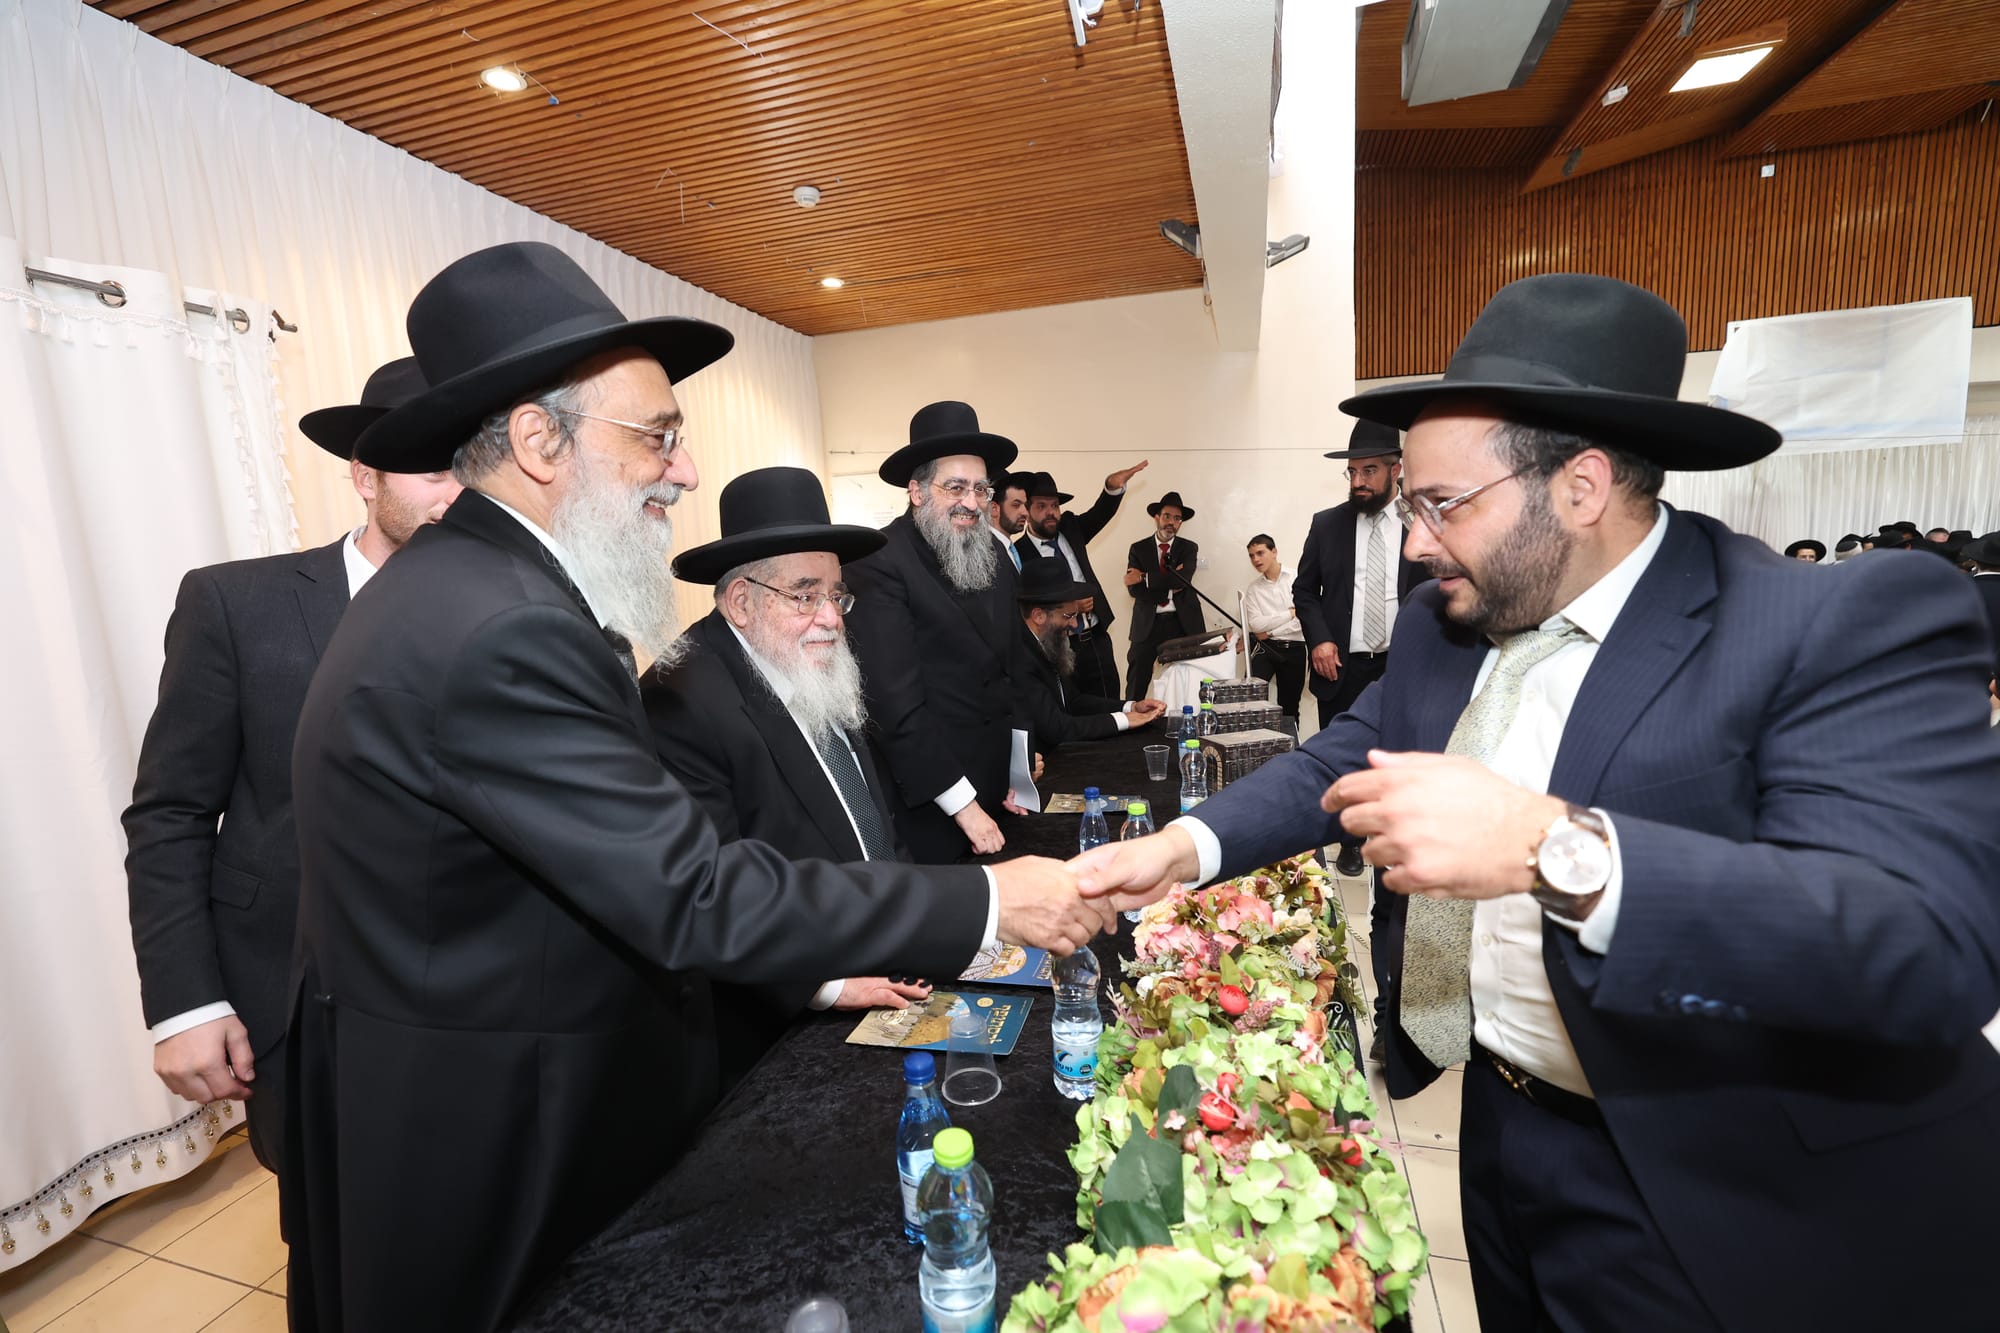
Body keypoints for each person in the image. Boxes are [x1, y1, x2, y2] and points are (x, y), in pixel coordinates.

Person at [1071, 273, 2000, 1333]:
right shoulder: (1443, 624)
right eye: (1411, 505)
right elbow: (1346, 753)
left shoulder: (1831, 624)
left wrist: (1553, 848)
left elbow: (1926, 940)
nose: (1415, 543)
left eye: (1443, 504)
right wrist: (1184, 846)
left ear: (1581, 486)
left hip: (1725, 1188)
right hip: (1506, 1129)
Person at [285, 245, 1106, 1333]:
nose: (682, 470)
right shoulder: (500, 624)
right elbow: (690, 888)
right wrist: (990, 900)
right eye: (657, 435)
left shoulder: (478, 587)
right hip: (485, 1127)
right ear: (538, 439)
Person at [122, 357, 455, 1189]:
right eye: (431, 467)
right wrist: (186, 1001)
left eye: (473, 467)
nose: (457, 493)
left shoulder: (532, 612)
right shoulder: (239, 605)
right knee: (328, 1226)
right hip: (300, 1005)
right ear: (365, 475)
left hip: (478, 1007)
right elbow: (171, 812)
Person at [643, 466, 934, 1090]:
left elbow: (868, 820)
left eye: (837, 595)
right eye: (806, 596)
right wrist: (826, 986)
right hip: (778, 1026)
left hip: (883, 954)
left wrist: (917, 914)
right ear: (741, 602)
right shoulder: (681, 698)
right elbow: (707, 889)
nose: (831, 618)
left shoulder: (810, 658)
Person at [844, 401, 1027, 863]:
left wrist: (1016, 770)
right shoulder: (879, 563)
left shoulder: (995, 555)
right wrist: (964, 807)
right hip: (932, 802)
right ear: (917, 491)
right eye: (955, 487)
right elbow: (893, 707)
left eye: (981, 489)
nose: (971, 503)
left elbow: (1012, 672)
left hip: (995, 792)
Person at [1018, 462, 1148, 699]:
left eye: (1054, 505)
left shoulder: (1072, 528)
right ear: (1027, 511)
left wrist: (1111, 488)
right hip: (1057, 646)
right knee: (1070, 708)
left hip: (1095, 639)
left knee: (1110, 702)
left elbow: (1101, 513)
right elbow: (1027, 604)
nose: (1050, 512)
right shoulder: (1020, 553)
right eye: (1041, 506)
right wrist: (1071, 607)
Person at [1014, 557, 1165, 759]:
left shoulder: (1046, 644)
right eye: (1068, 616)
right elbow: (1057, 728)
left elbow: (1074, 702)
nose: (1074, 624)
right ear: (1039, 616)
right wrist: (1124, 720)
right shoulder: (1020, 658)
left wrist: (1130, 707)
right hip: (1045, 763)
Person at [1123, 490, 1205, 698]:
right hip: (1147, 624)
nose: (1171, 522)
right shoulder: (1138, 548)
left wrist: (1144, 577)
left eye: (1177, 518)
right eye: (1167, 516)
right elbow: (1134, 588)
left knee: (1188, 682)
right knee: (1136, 680)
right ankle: (1132, 716)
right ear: (1157, 517)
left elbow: (1182, 580)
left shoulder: (1189, 548)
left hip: (1182, 622)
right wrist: (1168, 589)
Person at [1243, 533, 1307, 732]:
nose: (1256, 559)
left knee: (1289, 708)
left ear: (1274, 552)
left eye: (1260, 553)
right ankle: (1255, 743)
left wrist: (1270, 632)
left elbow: (1303, 619)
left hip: (1294, 647)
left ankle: (1290, 747)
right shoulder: (1253, 589)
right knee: (1250, 697)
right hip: (1265, 648)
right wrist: (1289, 613)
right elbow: (1256, 624)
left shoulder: (1297, 578)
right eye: (1252, 555)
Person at [986, 470, 1027, 571]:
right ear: (994, 509)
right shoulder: (986, 554)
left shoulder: (1009, 548)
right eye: (1016, 505)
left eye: (1025, 505)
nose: (1025, 512)